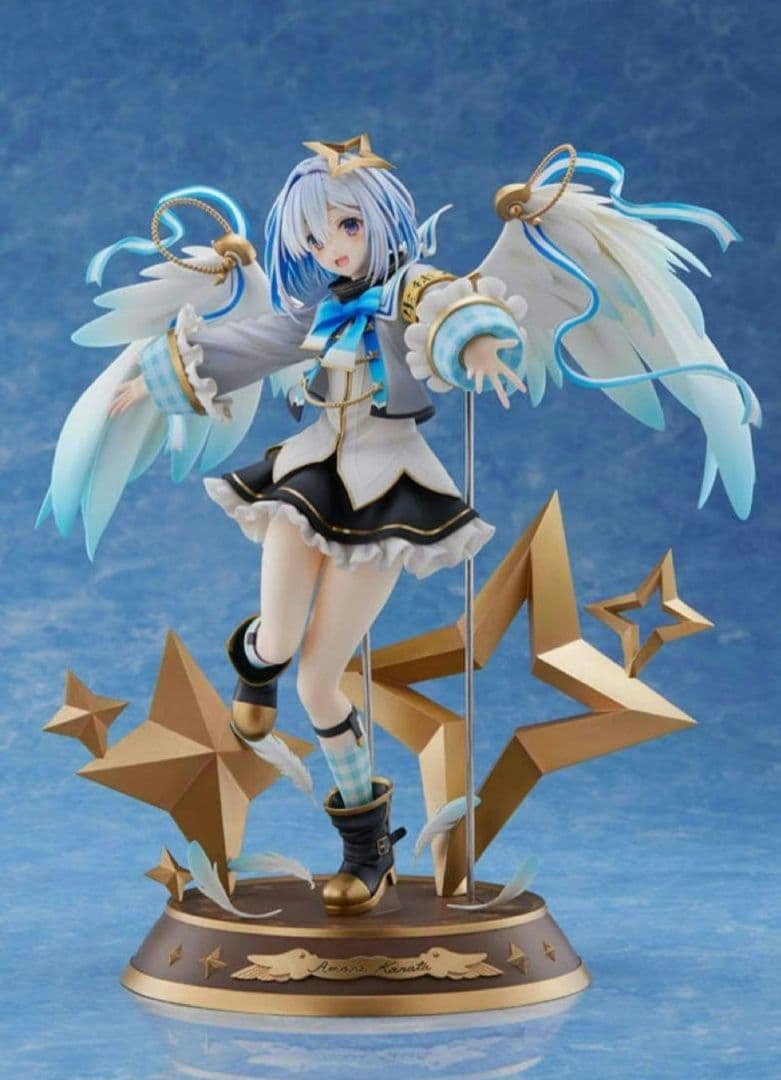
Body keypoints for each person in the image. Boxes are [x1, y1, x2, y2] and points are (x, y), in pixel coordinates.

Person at [107, 136, 528, 916]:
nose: (331, 248)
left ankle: (366, 847)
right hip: (307, 477)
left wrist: (476, 344)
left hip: (387, 490)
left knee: (318, 682)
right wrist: (157, 376)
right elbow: (253, 345)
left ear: (382, 220)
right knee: (275, 642)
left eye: (347, 227)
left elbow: (450, 310)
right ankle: (254, 663)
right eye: (313, 235)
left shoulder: (411, 288)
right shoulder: (322, 308)